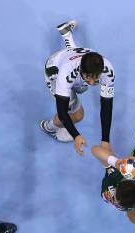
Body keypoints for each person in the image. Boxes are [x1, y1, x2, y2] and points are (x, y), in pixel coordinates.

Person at [39, 20, 116, 156]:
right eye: (89, 77)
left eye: (96, 77)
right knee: (78, 115)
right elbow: (62, 111)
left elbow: (106, 106)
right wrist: (76, 135)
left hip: (72, 56)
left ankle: (67, 35)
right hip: (55, 70)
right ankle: (48, 127)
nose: (92, 82)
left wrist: (105, 140)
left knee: (82, 88)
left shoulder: (107, 70)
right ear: (81, 70)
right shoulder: (66, 75)